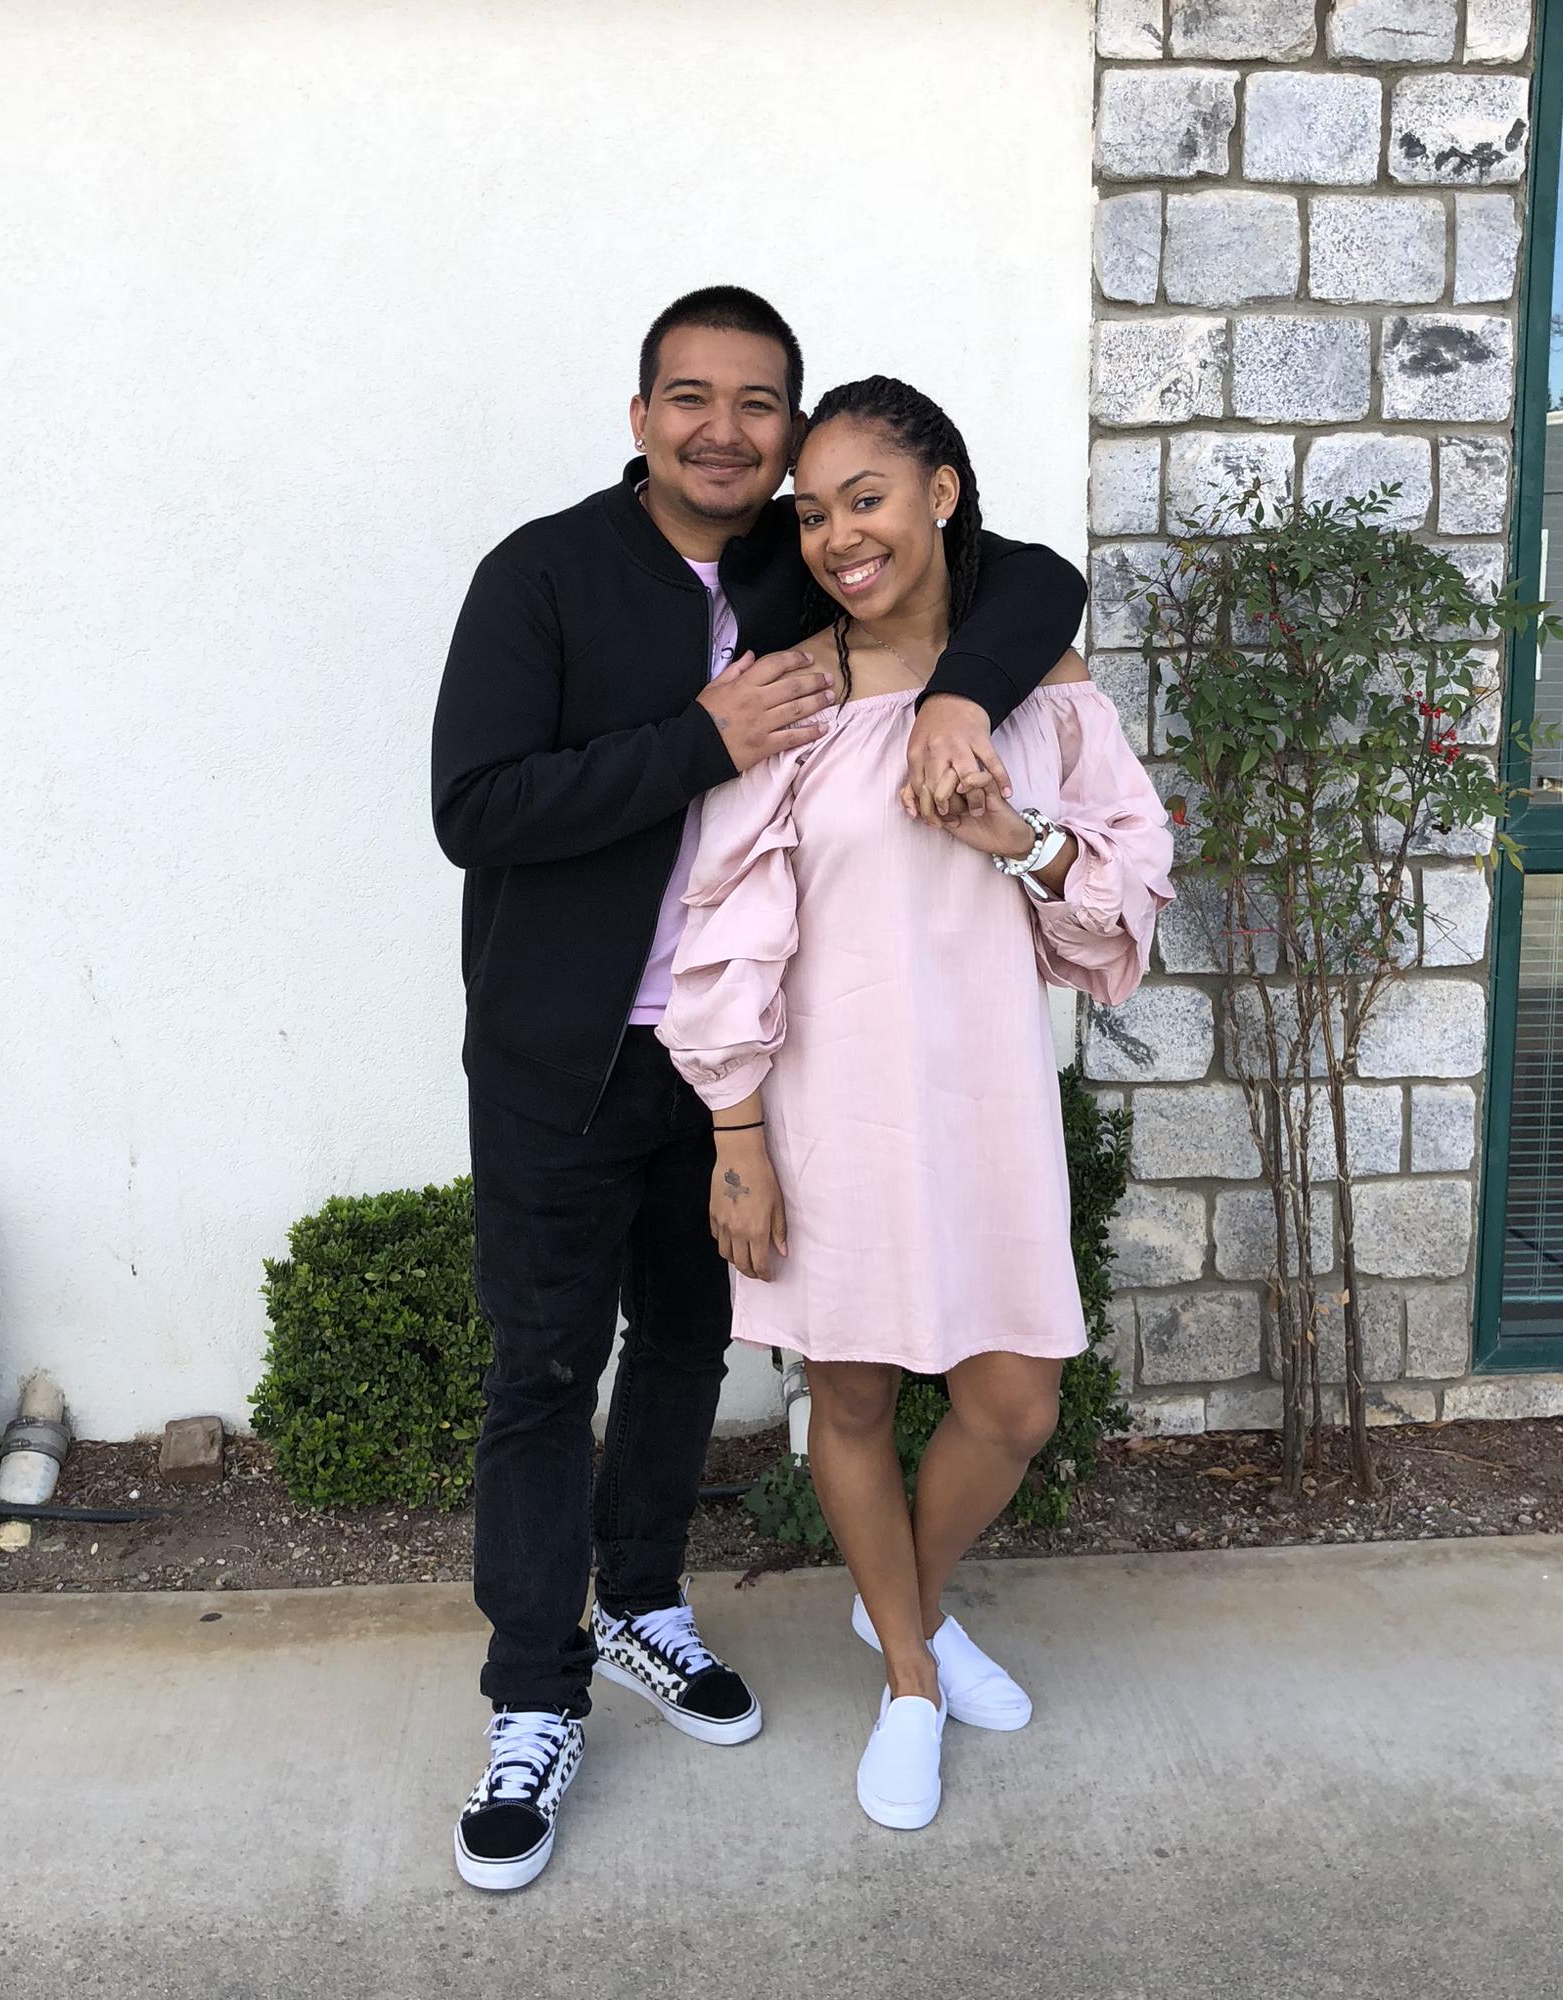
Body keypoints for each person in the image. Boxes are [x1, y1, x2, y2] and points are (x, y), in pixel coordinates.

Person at [430, 290, 1086, 1891]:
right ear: (641, 415)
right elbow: (475, 808)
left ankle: (645, 1602)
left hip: (755, 1065)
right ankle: (533, 1698)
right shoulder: (544, 573)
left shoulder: (804, 567)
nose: (723, 430)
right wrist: (697, 740)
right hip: (572, 1051)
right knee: (544, 1373)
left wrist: (958, 696)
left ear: (790, 431)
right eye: (690, 396)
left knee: (684, 1347)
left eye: (756, 405)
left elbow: (1033, 579)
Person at [657, 376, 1174, 1831]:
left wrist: (1018, 834)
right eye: (813, 513)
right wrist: (738, 1138)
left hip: (985, 1099)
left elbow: (1128, 882)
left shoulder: (1040, 683)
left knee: (1014, 1403)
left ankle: (905, 1606)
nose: (837, 535)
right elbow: (725, 926)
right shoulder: (793, 696)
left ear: (941, 494)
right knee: (854, 1396)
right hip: (831, 1109)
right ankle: (908, 1675)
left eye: (866, 498)